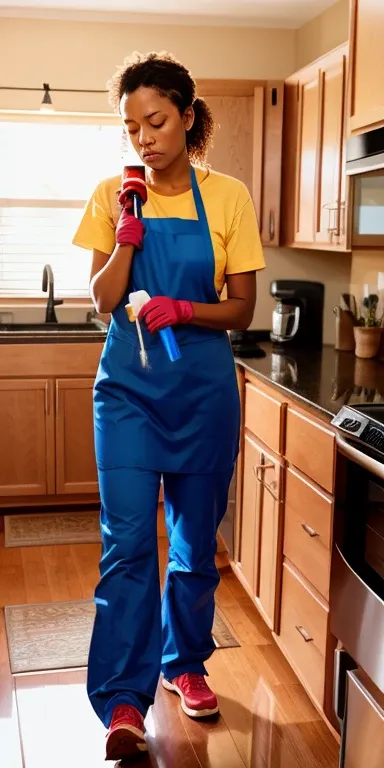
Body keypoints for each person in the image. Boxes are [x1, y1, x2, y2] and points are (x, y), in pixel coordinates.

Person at [73, 51, 265, 762]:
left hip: (204, 394)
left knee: (192, 550)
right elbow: (101, 301)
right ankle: (124, 697)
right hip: (127, 392)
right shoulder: (112, 194)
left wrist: (188, 307)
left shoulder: (230, 197)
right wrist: (126, 236)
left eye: (155, 121)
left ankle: (184, 664)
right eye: (131, 127)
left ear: (187, 115)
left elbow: (244, 308)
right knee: (126, 548)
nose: (144, 138)